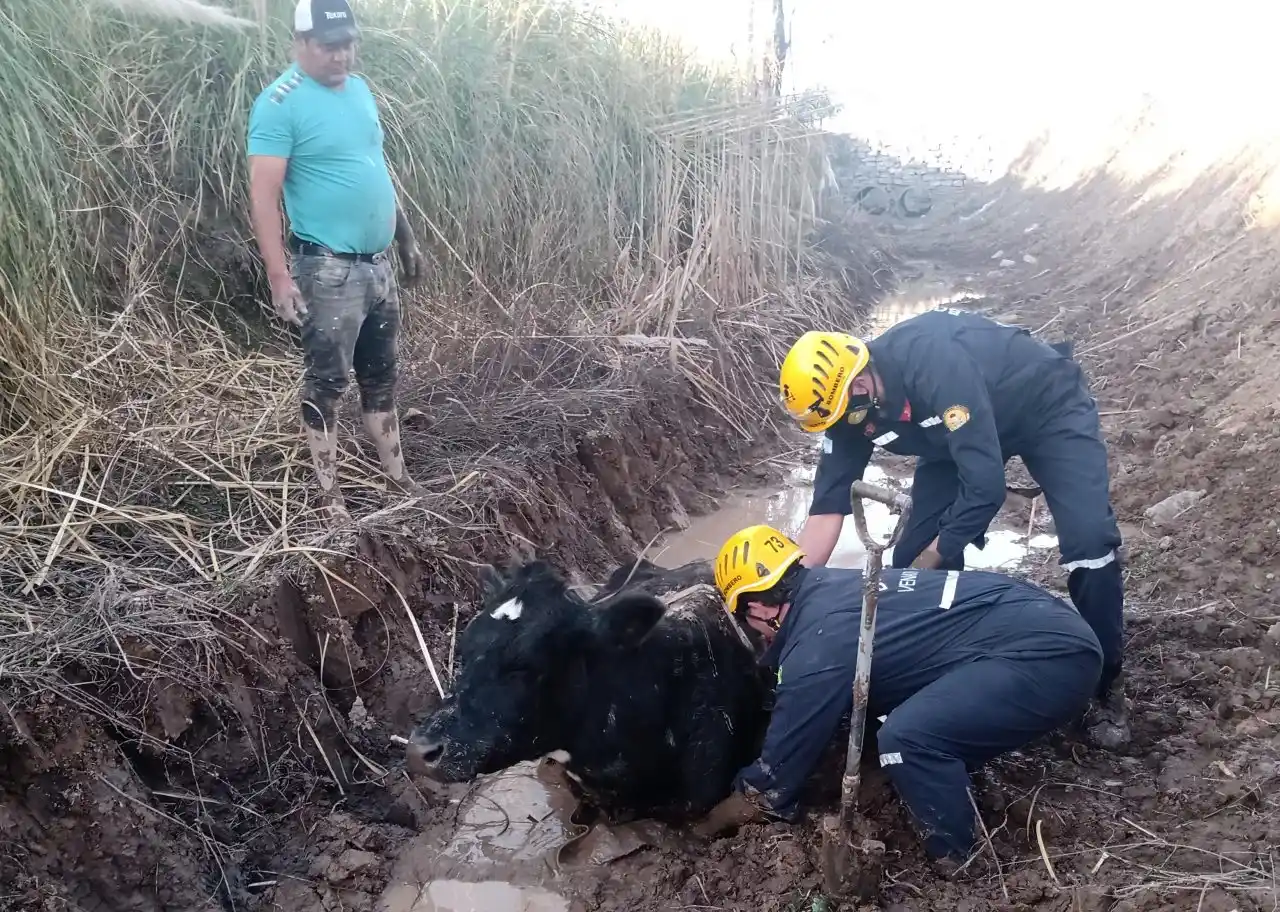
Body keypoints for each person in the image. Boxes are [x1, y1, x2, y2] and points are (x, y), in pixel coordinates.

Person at [777, 308, 1130, 749]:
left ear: (860, 384)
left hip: (1044, 407)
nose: (842, 429)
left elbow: (985, 487)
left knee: (1089, 542)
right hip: (952, 440)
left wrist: (937, 554)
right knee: (908, 565)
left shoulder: (931, 360)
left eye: (843, 415)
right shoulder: (843, 410)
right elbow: (826, 510)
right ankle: (953, 665)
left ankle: (1105, 682)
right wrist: (784, 594)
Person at [692, 524, 1103, 871]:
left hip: (1052, 660)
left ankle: (958, 859)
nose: (756, 633)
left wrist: (709, 822)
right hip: (1042, 620)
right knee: (897, 722)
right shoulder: (835, 586)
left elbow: (773, 785)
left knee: (906, 739)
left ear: (761, 607)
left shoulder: (817, 649)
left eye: (747, 619)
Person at [246, 0, 427, 520]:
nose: (342, 55)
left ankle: (398, 477)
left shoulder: (361, 91)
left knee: (381, 376)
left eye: (348, 43)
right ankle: (331, 499)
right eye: (329, 46)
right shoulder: (280, 103)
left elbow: (377, 170)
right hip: (327, 270)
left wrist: (406, 237)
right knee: (327, 381)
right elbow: (263, 196)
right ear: (299, 43)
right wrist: (279, 277)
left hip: (377, 264)